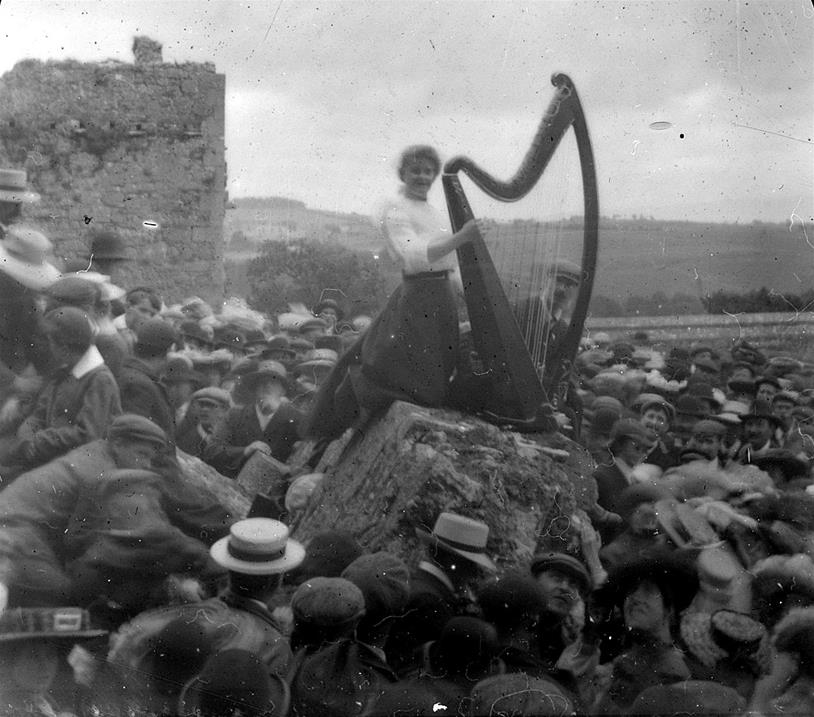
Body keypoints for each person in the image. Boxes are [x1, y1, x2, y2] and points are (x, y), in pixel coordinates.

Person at [306, 144, 484, 440]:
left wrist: (459, 286)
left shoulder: (430, 210)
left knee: (438, 372)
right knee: (409, 377)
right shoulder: (394, 209)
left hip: (441, 293)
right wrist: (462, 237)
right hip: (417, 297)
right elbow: (413, 255)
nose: (422, 176)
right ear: (403, 173)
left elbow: (442, 260)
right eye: (415, 170)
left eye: (429, 171)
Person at [0, 306, 122, 478]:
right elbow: (40, 412)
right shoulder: (64, 370)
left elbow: (88, 434)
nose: (48, 348)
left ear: (63, 348)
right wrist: (27, 434)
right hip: (45, 456)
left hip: (74, 469)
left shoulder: (99, 380)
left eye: (50, 342)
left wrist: (37, 441)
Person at [385, 511, 496, 674]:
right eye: (471, 564)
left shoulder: (415, 582)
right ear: (453, 562)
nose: (474, 573)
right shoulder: (431, 602)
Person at [202, 359, 303, 478]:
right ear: (255, 389)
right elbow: (212, 450)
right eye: (262, 382)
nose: (267, 386)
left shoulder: (296, 419)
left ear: (283, 390)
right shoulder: (236, 415)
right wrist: (245, 450)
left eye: (274, 381)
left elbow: (303, 462)